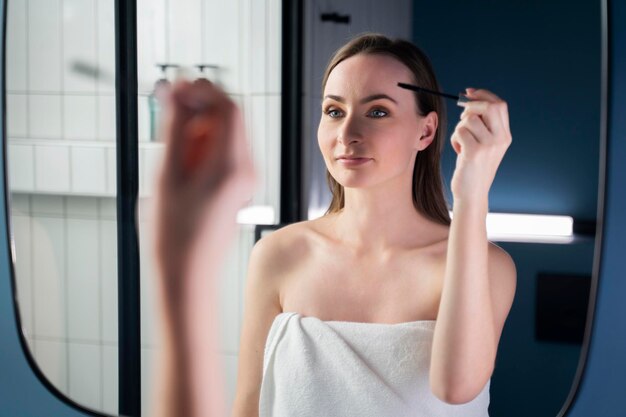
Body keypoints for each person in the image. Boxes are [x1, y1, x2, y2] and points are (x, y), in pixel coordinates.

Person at [231, 33, 516, 417]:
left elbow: (457, 387)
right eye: (334, 111)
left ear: (426, 131)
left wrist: (472, 195)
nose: (347, 135)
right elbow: (248, 407)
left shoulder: (488, 267)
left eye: (377, 111)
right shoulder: (278, 255)